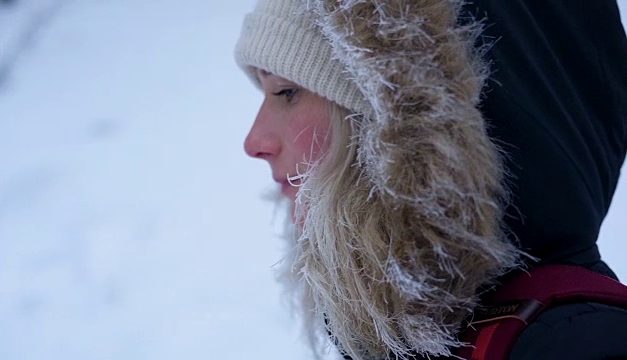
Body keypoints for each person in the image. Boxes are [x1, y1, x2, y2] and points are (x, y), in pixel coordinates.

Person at [235, 0, 627, 359]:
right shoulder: (439, 334)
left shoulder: (578, 343)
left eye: (287, 91)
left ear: (405, 134)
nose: (255, 142)